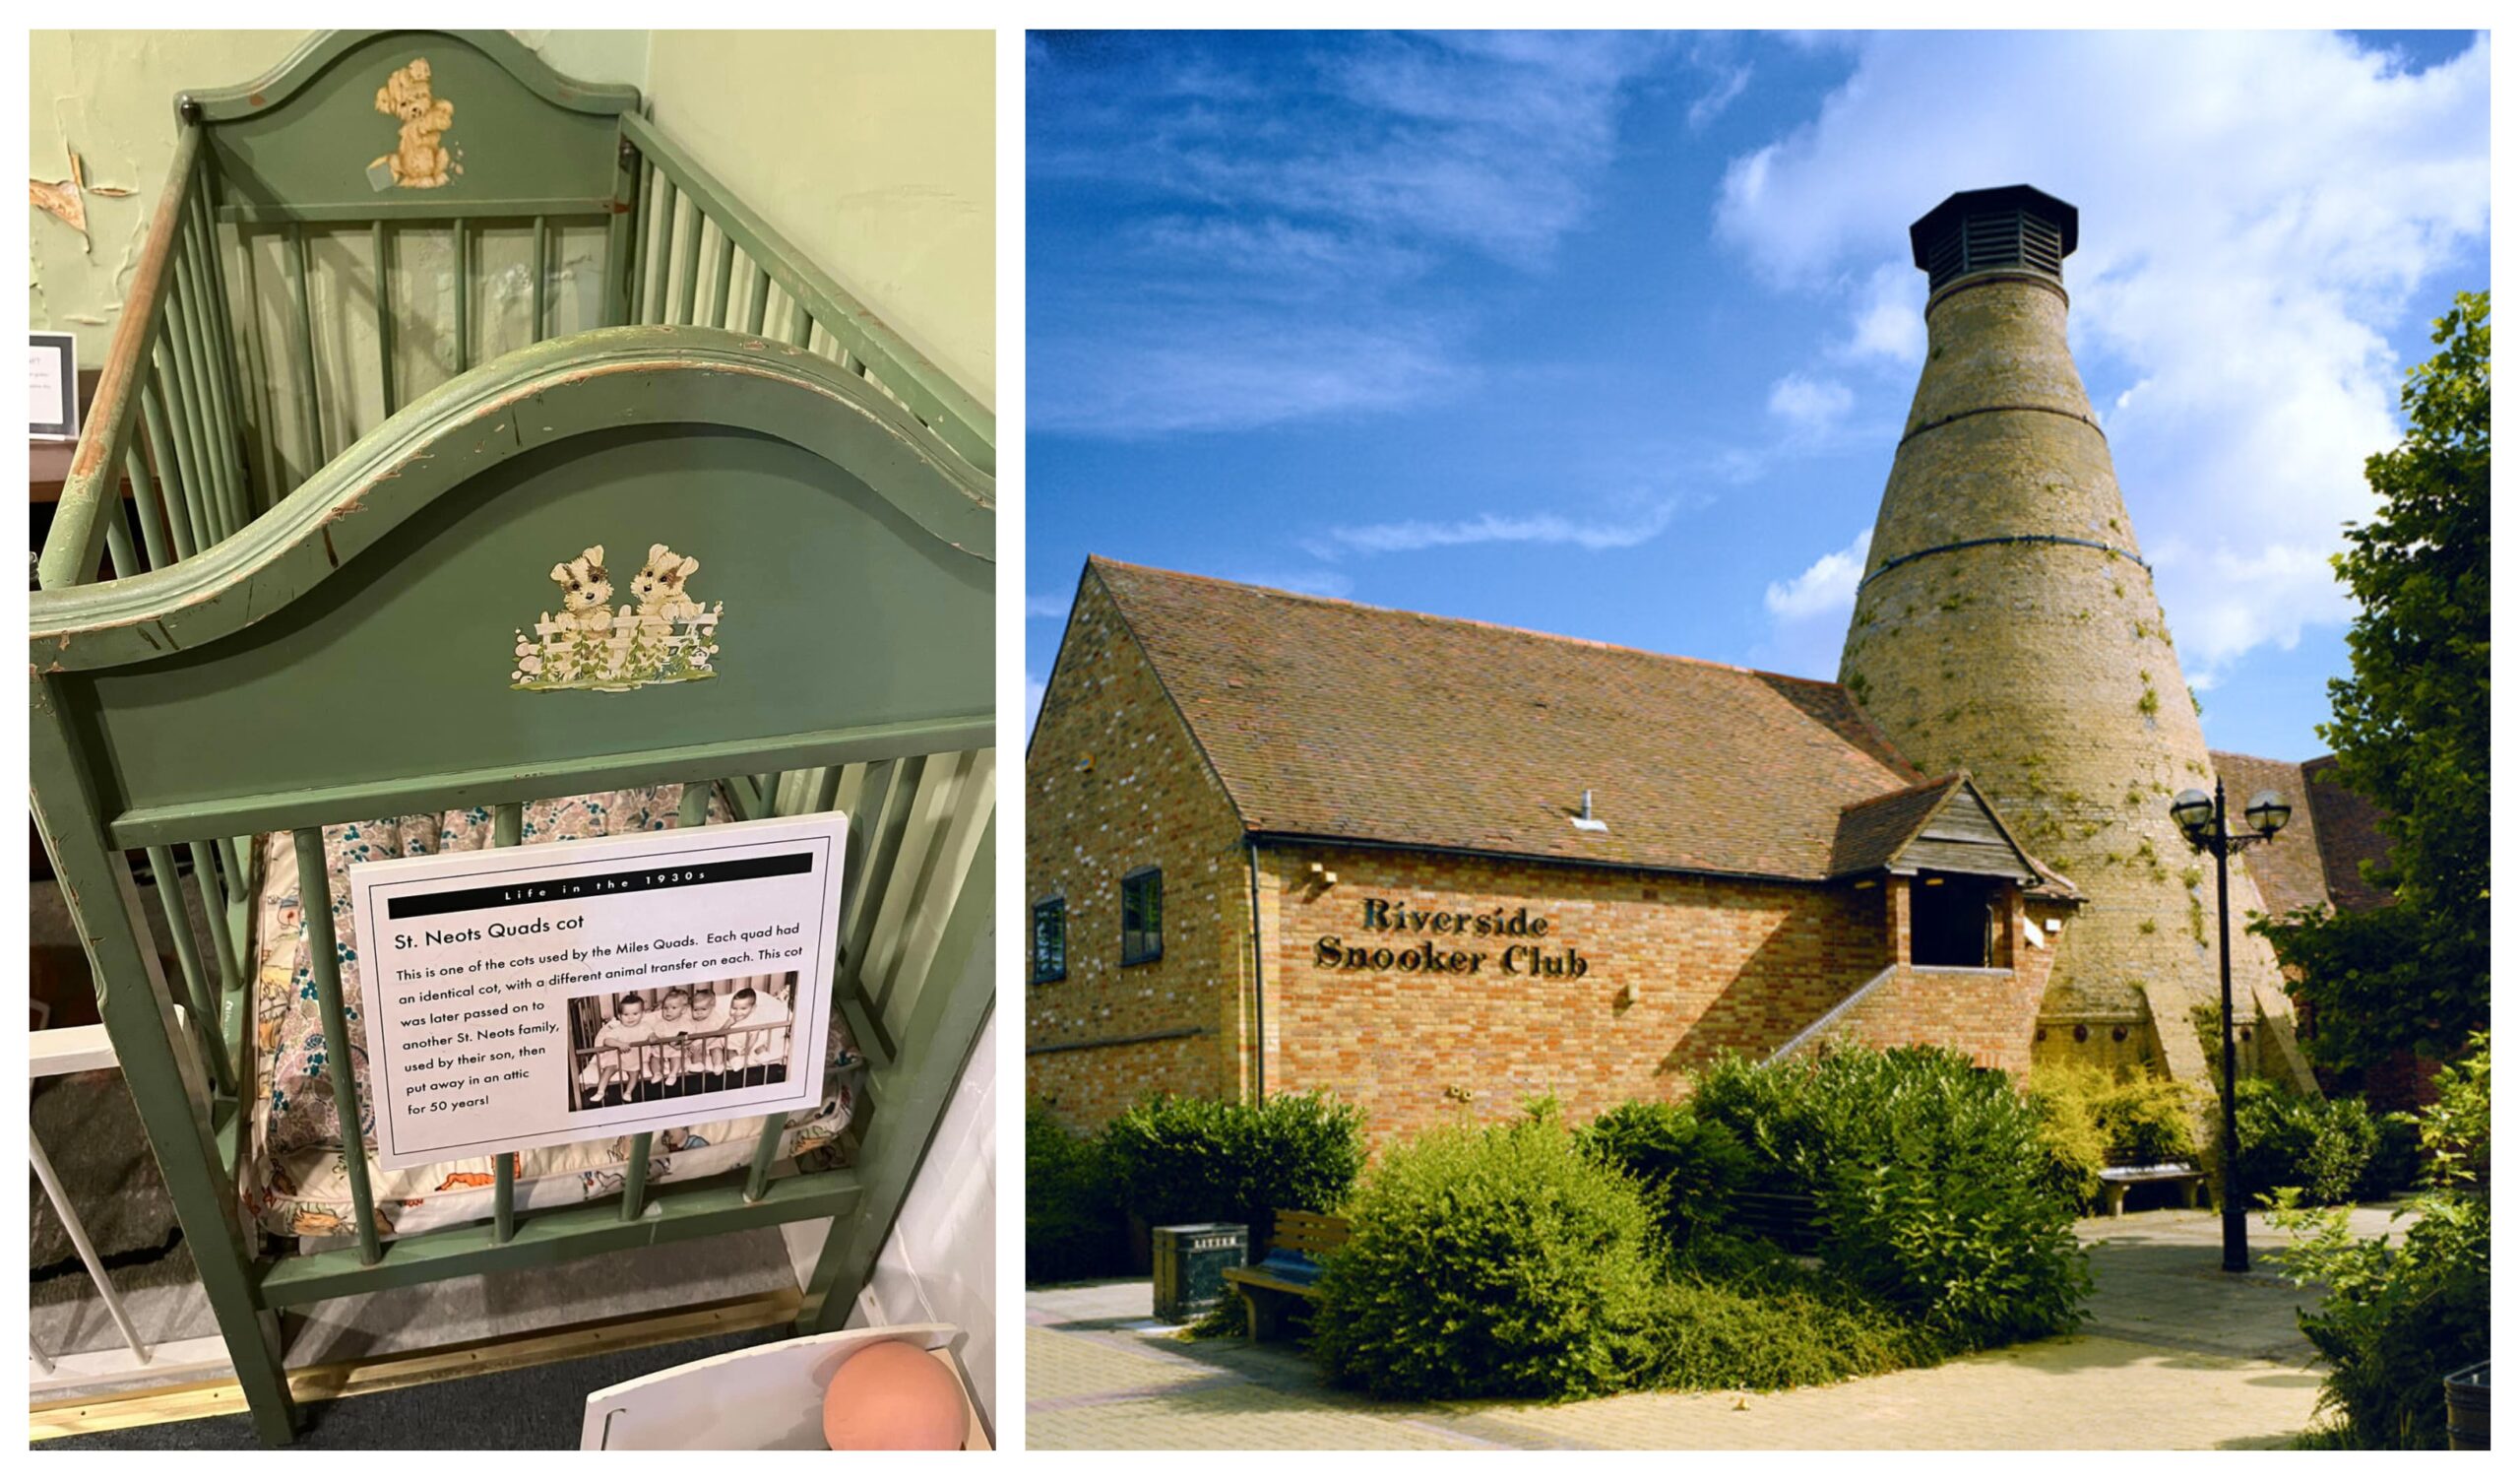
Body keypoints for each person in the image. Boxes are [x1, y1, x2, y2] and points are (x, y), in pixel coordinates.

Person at [578, 994, 655, 1108]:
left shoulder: (645, 1026)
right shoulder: (619, 1028)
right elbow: (607, 1041)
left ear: (643, 1014)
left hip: (634, 1058)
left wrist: (653, 1037)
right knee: (608, 1070)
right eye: (626, 1014)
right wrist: (619, 1044)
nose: (630, 1017)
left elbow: (652, 1035)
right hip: (618, 1057)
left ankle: (628, 1092)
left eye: (635, 1014)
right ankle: (600, 1091)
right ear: (619, 1016)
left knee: (634, 1074)